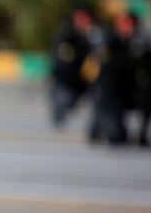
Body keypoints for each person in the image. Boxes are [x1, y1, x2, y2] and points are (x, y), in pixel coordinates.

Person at [89, 12, 137, 145]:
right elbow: (106, 66)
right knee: (116, 137)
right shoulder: (108, 42)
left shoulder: (131, 43)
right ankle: (98, 127)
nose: (130, 29)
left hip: (123, 91)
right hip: (108, 91)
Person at [49, 9, 94, 127]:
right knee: (66, 100)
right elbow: (64, 66)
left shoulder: (87, 38)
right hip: (64, 82)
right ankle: (59, 107)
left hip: (80, 81)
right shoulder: (66, 38)